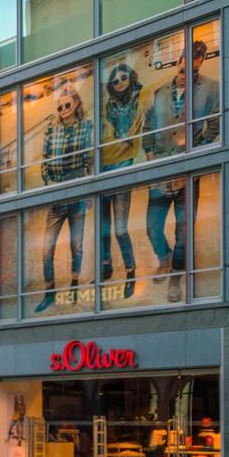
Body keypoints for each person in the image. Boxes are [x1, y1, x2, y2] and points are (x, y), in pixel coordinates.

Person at [143, 40, 220, 302]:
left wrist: (201, 149)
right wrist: (153, 159)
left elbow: (214, 124)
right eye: (184, 70)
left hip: (188, 173)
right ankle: (163, 257)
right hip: (161, 171)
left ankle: (175, 278)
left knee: (183, 232)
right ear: (178, 65)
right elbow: (147, 130)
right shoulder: (158, 93)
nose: (187, 75)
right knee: (152, 227)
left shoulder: (210, 89)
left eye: (194, 71)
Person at [36, 86, 93, 312]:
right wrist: (49, 182)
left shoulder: (85, 127)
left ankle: (74, 285)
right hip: (57, 193)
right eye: (60, 107)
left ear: (77, 104)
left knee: (76, 245)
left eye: (67, 105)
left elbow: (89, 160)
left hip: (77, 189)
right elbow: (44, 162)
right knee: (46, 248)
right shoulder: (51, 131)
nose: (63, 110)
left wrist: (88, 191)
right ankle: (49, 292)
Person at [99, 62, 149, 297]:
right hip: (104, 168)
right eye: (115, 81)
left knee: (120, 229)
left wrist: (122, 140)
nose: (119, 83)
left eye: (123, 78)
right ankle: (106, 266)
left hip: (124, 166)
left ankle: (131, 272)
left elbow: (131, 136)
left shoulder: (139, 99)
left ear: (131, 78)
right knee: (103, 228)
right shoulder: (109, 106)